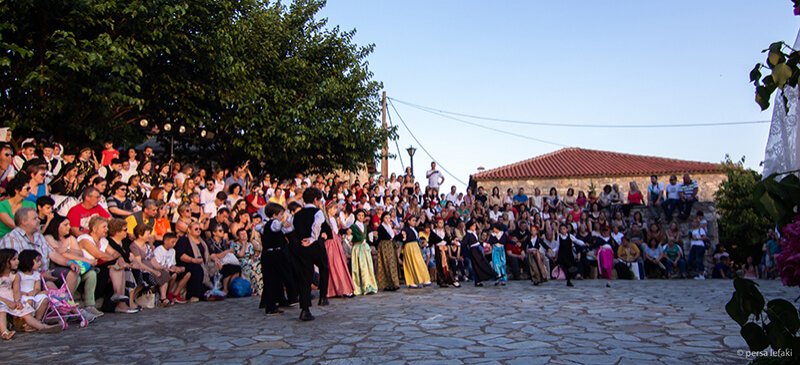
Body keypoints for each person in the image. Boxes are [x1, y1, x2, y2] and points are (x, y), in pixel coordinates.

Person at [0, 249, 60, 340]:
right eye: (14, 259)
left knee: (25, 311)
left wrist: (17, 301)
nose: (18, 261)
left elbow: (16, 291)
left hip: (10, 297)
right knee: (2, 310)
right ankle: (4, 332)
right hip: (1, 299)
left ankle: (41, 327)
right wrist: (7, 302)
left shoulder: (15, 276)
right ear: (5, 261)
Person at [289, 188, 330, 321]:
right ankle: (323, 296)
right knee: (324, 267)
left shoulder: (297, 214)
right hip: (314, 245)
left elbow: (290, 229)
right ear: (315, 200)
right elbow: (317, 226)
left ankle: (305, 309)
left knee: (305, 277)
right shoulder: (318, 212)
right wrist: (312, 239)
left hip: (301, 247)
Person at [259, 203, 296, 314]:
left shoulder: (267, 225)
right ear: (274, 215)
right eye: (280, 214)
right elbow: (278, 226)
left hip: (271, 254)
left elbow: (287, 229)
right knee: (272, 279)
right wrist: (285, 222)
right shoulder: (274, 223)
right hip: (273, 255)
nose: (282, 216)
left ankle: (278, 300)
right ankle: (271, 305)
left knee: (276, 279)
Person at [129, 225, 172, 307]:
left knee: (164, 273)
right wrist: (154, 271)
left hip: (151, 267)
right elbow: (139, 263)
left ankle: (163, 298)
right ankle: (133, 298)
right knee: (151, 276)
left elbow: (153, 260)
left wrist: (161, 267)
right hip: (142, 269)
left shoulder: (148, 246)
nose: (150, 236)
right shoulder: (134, 246)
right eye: (147, 234)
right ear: (140, 235)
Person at [321, 201, 355, 298]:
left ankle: (343, 288)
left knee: (340, 265)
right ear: (328, 209)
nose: (335, 211)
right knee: (333, 265)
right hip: (330, 244)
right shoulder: (325, 220)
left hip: (336, 243)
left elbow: (338, 230)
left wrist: (345, 230)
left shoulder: (335, 219)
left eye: (336, 208)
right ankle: (334, 289)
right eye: (334, 208)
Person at [174, 221, 210, 302]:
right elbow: (181, 255)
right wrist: (193, 260)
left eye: (199, 229)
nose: (198, 231)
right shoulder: (184, 240)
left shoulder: (202, 241)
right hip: (187, 263)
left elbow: (208, 253)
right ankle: (193, 295)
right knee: (196, 269)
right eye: (196, 229)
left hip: (202, 263)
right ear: (189, 230)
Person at [396, 215, 432, 289]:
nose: (414, 222)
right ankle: (411, 281)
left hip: (415, 247)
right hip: (409, 247)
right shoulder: (405, 229)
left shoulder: (415, 229)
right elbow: (401, 237)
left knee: (419, 262)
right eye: (413, 220)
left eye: (415, 220)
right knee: (411, 263)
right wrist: (403, 237)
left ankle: (423, 279)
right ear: (408, 221)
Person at [154, 233, 190, 304]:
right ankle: (167, 294)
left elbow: (172, 264)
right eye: (172, 242)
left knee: (187, 272)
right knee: (173, 275)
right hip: (161, 270)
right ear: (165, 241)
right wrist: (170, 269)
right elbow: (157, 265)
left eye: (175, 242)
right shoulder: (159, 250)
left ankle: (175, 294)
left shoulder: (173, 251)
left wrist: (178, 268)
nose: (174, 244)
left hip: (169, 269)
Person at [15, 249, 50, 321]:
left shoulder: (36, 274)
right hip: (22, 295)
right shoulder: (19, 274)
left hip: (33, 294)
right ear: (28, 261)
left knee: (44, 298)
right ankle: (28, 321)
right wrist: (25, 293)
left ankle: (38, 320)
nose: (40, 263)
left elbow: (37, 288)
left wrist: (34, 292)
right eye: (37, 261)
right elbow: (16, 289)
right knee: (30, 301)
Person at [349, 209, 378, 295]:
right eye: (359, 215)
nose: (361, 217)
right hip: (358, 248)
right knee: (359, 267)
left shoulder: (365, 226)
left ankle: (369, 285)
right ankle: (359, 287)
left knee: (368, 266)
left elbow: (367, 237)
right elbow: (350, 237)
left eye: (362, 215)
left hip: (365, 248)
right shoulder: (353, 226)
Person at [463, 220, 496, 287]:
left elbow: (477, 242)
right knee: (478, 265)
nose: (475, 227)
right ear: (470, 227)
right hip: (474, 252)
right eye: (473, 226)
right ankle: (481, 279)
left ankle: (491, 275)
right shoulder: (468, 234)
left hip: (477, 250)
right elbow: (464, 243)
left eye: (475, 225)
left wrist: (483, 244)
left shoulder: (474, 233)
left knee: (483, 263)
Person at [428, 218, 459, 288]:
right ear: (436, 224)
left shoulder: (444, 232)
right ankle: (441, 281)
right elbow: (431, 242)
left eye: (442, 222)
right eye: (439, 222)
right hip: (438, 249)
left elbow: (448, 240)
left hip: (445, 250)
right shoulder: (434, 232)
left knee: (447, 265)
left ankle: (450, 279)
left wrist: (453, 242)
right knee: (439, 266)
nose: (441, 224)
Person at [375, 212, 401, 291]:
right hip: (384, 246)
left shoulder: (389, 227)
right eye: (386, 218)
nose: (387, 219)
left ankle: (394, 283)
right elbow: (387, 237)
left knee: (392, 264)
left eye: (389, 218)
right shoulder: (381, 227)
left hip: (390, 246)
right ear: (383, 218)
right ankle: (387, 284)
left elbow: (393, 237)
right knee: (386, 264)